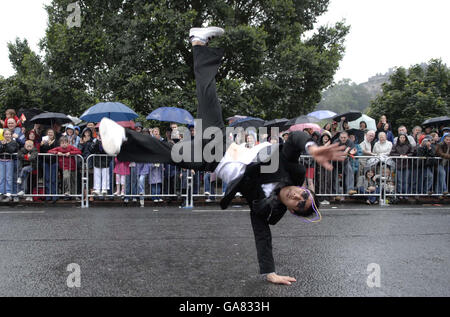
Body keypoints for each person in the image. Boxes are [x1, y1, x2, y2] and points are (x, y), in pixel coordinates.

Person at [99, 27, 346, 285]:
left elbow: (262, 235)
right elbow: (294, 141)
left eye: (299, 204)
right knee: (208, 98)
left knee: (174, 153)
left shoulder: (266, 207)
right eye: (304, 194)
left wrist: (269, 272)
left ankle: (123, 141)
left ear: (292, 210)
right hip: (221, 143)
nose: (298, 196)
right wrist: (313, 148)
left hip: (213, 158)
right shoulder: (291, 172)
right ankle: (197, 42)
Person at [48, 135, 82, 200]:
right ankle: (67, 192)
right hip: (64, 167)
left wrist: (70, 153)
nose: (64, 144)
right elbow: (49, 151)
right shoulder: (58, 148)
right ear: (60, 144)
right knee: (66, 177)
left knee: (73, 181)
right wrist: (57, 152)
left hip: (73, 166)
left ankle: (74, 195)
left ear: (68, 143)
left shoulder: (71, 147)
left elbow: (79, 151)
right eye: (62, 143)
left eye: (65, 143)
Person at [40, 129, 59, 202]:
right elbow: (42, 151)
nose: (50, 133)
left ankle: (54, 196)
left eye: (51, 132)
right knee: (47, 179)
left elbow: (56, 150)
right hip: (46, 162)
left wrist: (51, 144)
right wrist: (42, 145)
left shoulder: (56, 142)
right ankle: (48, 196)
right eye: (48, 132)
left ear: (54, 134)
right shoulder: (44, 141)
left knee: (53, 179)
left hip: (54, 162)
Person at [0, 129, 19, 201]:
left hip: (9, 161)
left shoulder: (13, 142)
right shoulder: (0, 142)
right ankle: (1, 193)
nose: (7, 135)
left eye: (9, 134)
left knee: (8, 178)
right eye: (6, 134)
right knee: (1, 178)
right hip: (1, 161)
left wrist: (5, 145)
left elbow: (11, 151)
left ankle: (8, 193)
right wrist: (3, 145)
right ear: (3, 135)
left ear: (11, 135)